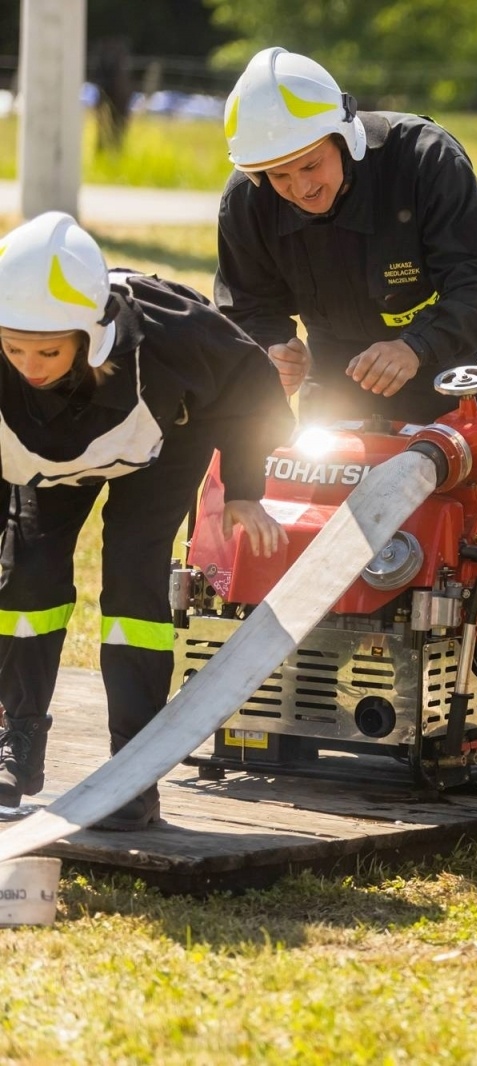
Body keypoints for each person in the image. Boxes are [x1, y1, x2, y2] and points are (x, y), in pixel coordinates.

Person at [0, 213, 293, 830]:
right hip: (44, 462)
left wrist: (243, 488)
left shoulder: (172, 332)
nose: (30, 363)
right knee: (26, 579)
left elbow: (256, 385)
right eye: (13, 346)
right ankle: (17, 746)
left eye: (48, 350)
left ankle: (132, 774)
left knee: (133, 585)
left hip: (165, 438)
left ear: (91, 334)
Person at [214, 46, 477, 426]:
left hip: (449, 366)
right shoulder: (248, 198)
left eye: (311, 165)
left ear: (343, 139)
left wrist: (416, 345)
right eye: (280, 176)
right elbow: (247, 304)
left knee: (449, 484)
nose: (302, 188)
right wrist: (273, 349)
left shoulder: (424, 159)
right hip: (338, 375)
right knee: (320, 481)